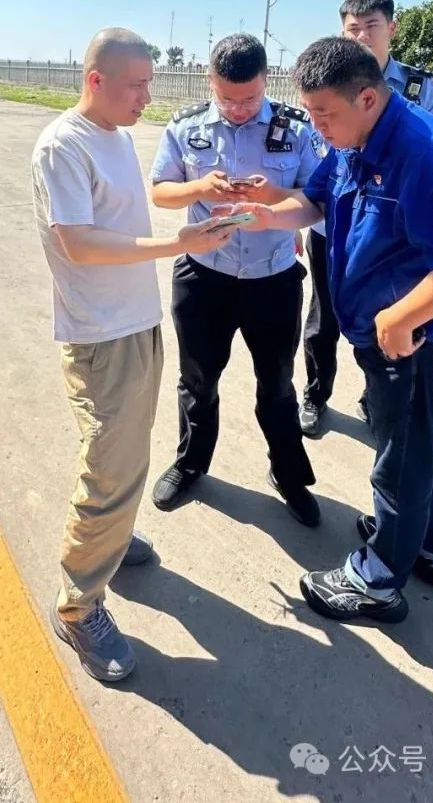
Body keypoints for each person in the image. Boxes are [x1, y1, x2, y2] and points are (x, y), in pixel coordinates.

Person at [224, 37, 433, 623]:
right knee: (411, 451)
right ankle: (426, 545)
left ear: (368, 97)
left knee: (397, 465)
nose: (316, 126)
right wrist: (272, 214)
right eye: (311, 112)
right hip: (386, 342)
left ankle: (377, 581)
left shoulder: (426, 152)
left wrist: (400, 318)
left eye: (324, 114)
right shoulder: (354, 140)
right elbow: (317, 200)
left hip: (424, 344)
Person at [31, 27, 234, 683]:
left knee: (131, 453)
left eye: (150, 83)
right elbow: (80, 243)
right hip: (100, 334)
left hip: (136, 321)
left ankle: (110, 542)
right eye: (137, 85)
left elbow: (122, 220)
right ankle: (77, 604)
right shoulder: (63, 146)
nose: (148, 95)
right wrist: (178, 245)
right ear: (96, 80)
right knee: (108, 469)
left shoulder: (115, 136)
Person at [148, 33, 323, 526]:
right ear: (211, 82)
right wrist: (199, 187)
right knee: (197, 380)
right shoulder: (186, 127)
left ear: (267, 80)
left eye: (250, 97)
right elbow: (160, 191)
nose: (240, 109)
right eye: (228, 98)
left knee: (278, 384)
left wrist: (272, 201)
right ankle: (191, 463)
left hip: (274, 279)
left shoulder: (296, 128)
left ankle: (288, 475)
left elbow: (317, 200)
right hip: (204, 278)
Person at [300, 0, 433, 436]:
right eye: (353, 28)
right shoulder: (329, 87)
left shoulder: (418, 98)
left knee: (387, 324)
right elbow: (321, 167)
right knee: (325, 320)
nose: (362, 36)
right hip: (337, 227)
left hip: (391, 236)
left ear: (392, 29)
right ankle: (317, 394)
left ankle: (378, 397)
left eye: (372, 26)